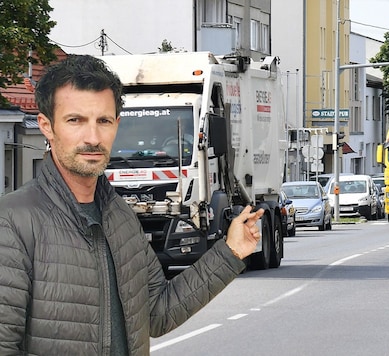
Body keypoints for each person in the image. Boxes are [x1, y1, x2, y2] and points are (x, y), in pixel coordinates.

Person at [0, 54, 264, 355]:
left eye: (104, 121)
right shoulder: (12, 222)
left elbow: (158, 312)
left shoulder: (120, 217)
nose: (93, 137)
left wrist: (230, 253)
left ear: (117, 125)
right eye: (75, 120)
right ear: (47, 126)